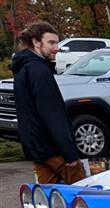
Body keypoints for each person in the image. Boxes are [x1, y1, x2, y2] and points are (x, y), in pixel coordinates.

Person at [11, 21, 83, 184]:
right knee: (81, 193)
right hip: (53, 148)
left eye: (57, 42)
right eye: (51, 42)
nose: (56, 48)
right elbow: (52, 114)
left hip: (37, 147)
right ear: (36, 42)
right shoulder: (38, 70)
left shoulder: (23, 68)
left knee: (49, 199)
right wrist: (69, 152)